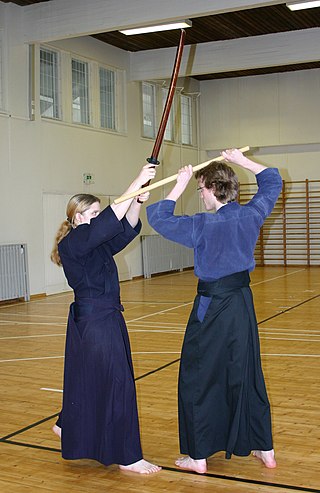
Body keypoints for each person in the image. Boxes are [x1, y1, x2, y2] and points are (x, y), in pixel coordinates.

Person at [146, 148, 282, 474]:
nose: (200, 196)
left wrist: (177, 185)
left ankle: (198, 456)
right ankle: (265, 448)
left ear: (209, 187)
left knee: (197, 376)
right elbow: (273, 181)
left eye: (199, 189)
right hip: (242, 306)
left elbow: (158, 218)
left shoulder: (202, 225)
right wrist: (241, 161)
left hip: (212, 307)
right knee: (246, 373)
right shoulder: (251, 215)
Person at [50, 163, 161, 474]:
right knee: (117, 382)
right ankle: (128, 457)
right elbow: (110, 221)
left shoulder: (93, 244)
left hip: (100, 318)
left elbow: (123, 231)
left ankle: (67, 425)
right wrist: (137, 180)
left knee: (89, 380)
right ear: (77, 218)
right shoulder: (73, 243)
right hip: (95, 320)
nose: (100, 218)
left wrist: (137, 202)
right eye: (94, 213)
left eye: (100, 212)